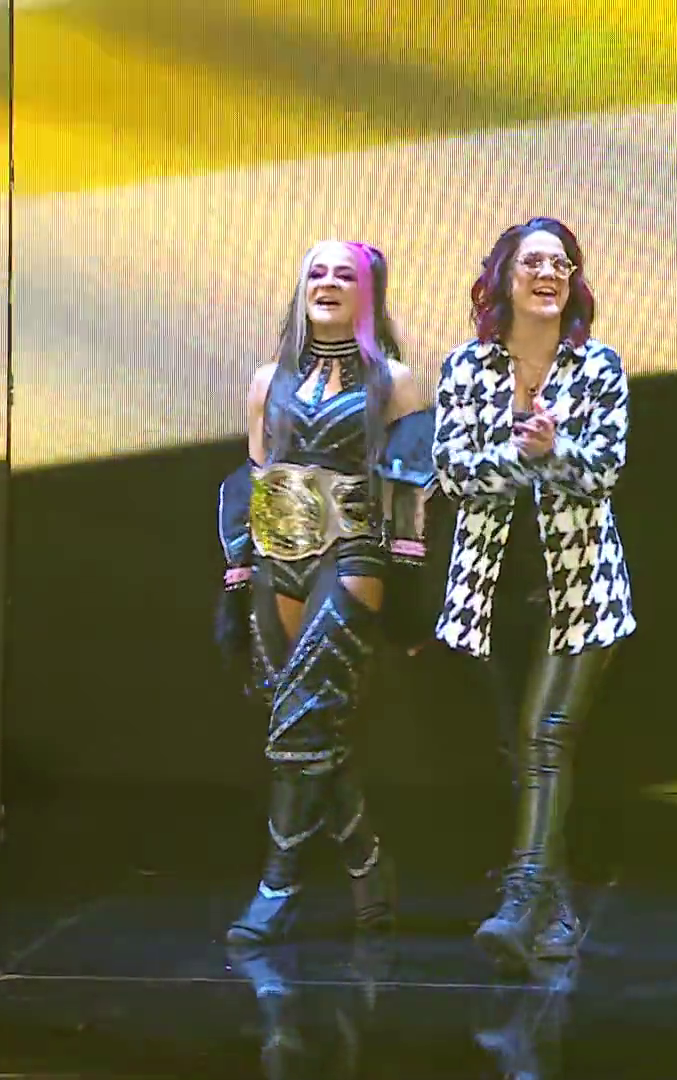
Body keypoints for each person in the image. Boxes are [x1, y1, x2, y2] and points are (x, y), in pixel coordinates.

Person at [432, 217, 637, 971]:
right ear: (504, 277)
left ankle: (519, 903)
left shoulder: (599, 366)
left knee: (545, 737)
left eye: (561, 264)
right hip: (490, 593)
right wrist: (528, 458)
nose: (548, 274)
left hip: (581, 592)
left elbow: (605, 470)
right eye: (533, 262)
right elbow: (453, 473)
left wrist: (556, 450)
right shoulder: (465, 367)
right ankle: (558, 905)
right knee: (524, 751)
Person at [216, 240, 427, 948]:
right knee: (305, 722)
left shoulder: (395, 382)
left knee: (302, 723)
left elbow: (411, 494)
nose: (328, 282)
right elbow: (252, 478)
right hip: (278, 549)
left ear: (369, 293)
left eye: (345, 273)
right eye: (317, 271)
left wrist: (412, 593)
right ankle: (367, 860)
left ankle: (277, 887)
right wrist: (237, 574)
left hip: (352, 549)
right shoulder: (266, 380)